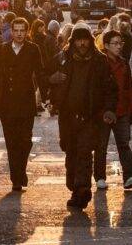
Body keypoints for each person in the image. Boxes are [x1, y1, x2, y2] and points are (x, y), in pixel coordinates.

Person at [49, 24, 117, 210]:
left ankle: (83, 189)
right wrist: (51, 81)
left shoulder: (100, 61)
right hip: (68, 116)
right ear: (72, 41)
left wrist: (109, 110)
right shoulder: (62, 59)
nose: (82, 43)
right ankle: (74, 187)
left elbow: (110, 89)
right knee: (71, 152)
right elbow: (46, 78)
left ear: (90, 41)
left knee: (85, 152)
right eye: (78, 40)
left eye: (85, 39)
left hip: (90, 116)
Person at [0, 18, 46, 192]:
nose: (19, 33)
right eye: (16, 30)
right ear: (11, 32)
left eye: (23, 30)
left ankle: (21, 170)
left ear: (27, 31)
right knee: (11, 141)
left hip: (26, 101)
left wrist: (45, 97)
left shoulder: (33, 49)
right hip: (7, 103)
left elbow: (40, 73)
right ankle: (16, 177)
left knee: (25, 140)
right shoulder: (2, 49)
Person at [96, 30, 132, 191]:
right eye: (115, 43)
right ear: (106, 45)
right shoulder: (99, 62)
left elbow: (129, 87)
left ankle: (129, 177)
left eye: (120, 43)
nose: (118, 47)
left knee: (124, 144)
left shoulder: (123, 63)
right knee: (101, 146)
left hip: (122, 111)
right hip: (103, 112)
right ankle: (100, 177)